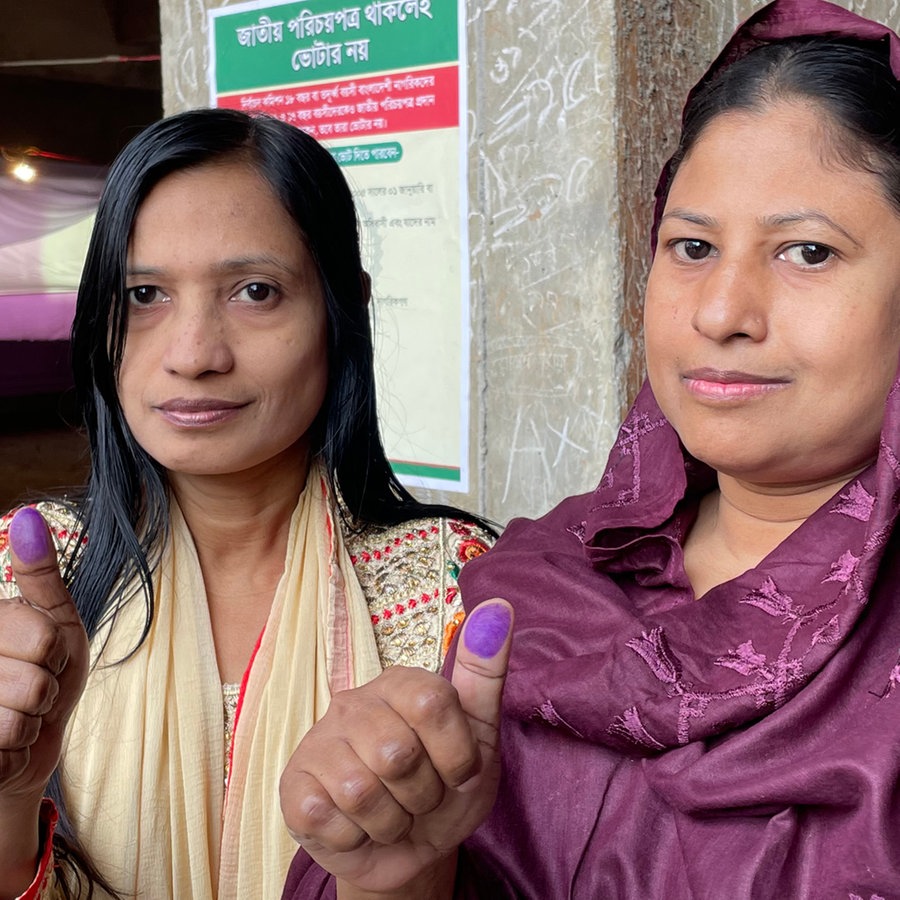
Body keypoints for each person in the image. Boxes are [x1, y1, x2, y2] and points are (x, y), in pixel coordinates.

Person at [279, 1, 900, 897]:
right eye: (691, 246)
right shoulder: (544, 580)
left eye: (807, 252)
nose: (720, 312)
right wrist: (401, 876)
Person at [0, 109, 494, 900]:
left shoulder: (456, 594)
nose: (194, 354)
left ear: (343, 309)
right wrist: (10, 802)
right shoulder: (23, 581)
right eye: (146, 293)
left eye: (256, 291)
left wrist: (401, 879)